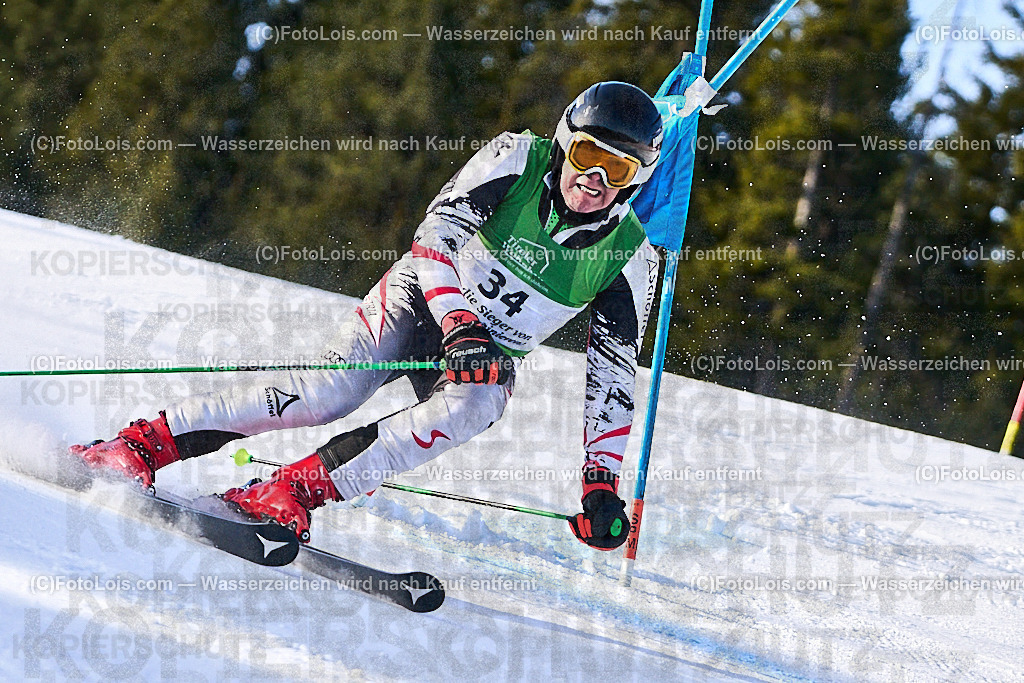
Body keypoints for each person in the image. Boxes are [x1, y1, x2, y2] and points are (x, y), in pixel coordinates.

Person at [71, 81, 663, 551]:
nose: (595, 180)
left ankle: (291, 491)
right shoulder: (516, 157)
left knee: (478, 406)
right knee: (330, 394)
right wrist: (458, 323)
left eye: (620, 172)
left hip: (486, 356)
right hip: (423, 300)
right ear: (565, 143)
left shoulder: (631, 257)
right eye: (588, 155)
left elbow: (612, 378)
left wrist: (601, 483)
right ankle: (143, 444)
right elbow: (434, 239)